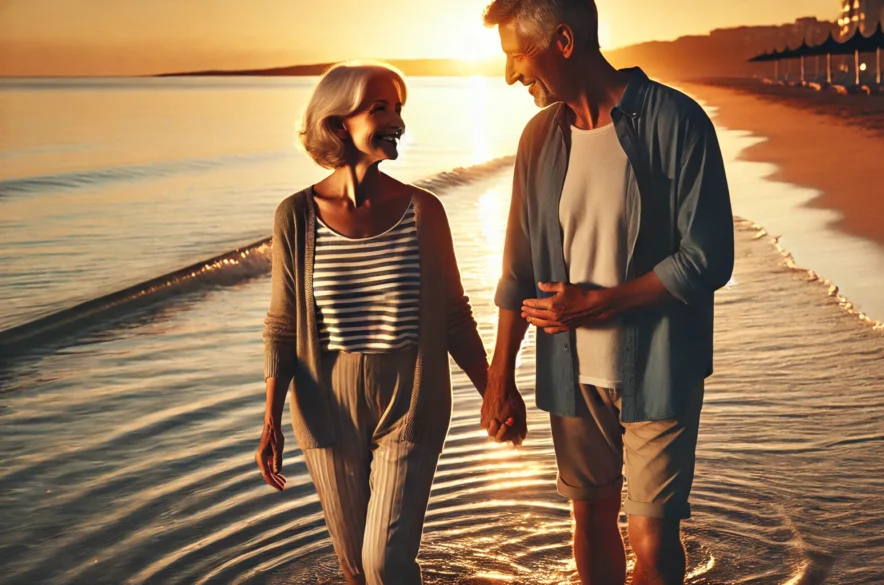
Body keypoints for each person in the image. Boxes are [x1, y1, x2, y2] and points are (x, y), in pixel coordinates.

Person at [478, 1, 735, 583]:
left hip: (662, 366)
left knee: (651, 534)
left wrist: (597, 304)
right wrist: (500, 378)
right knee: (589, 520)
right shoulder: (537, 138)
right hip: (570, 372)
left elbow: (708, 258)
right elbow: (516, 268)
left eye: (520, 55)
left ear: (564, 41)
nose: (512, 74)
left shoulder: (677, 121)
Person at [256, 61, 490, 585]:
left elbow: (454, 315)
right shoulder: (294, 216)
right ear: (339, 125)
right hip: (325, 403)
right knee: (354, 569)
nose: (397, 121)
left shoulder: (423, 210)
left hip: (410, 397)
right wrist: (270, 419)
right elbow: (281, 326)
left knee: (385, 563)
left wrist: (494, 389)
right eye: (380, 108)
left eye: (399, 108)